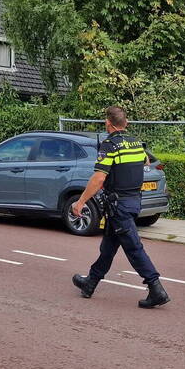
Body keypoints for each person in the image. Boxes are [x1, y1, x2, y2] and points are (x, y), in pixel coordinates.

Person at [71, 106, 169, 308]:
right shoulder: (136, 144)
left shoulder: (109, 145)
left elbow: (98, 178)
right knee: (108, 247)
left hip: (119, 206)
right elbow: (146, 162)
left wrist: (80, 202)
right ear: (126, 124)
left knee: (134, 247)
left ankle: (156, 288)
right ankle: (90, 283)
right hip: (133, 201)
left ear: (108, 123)